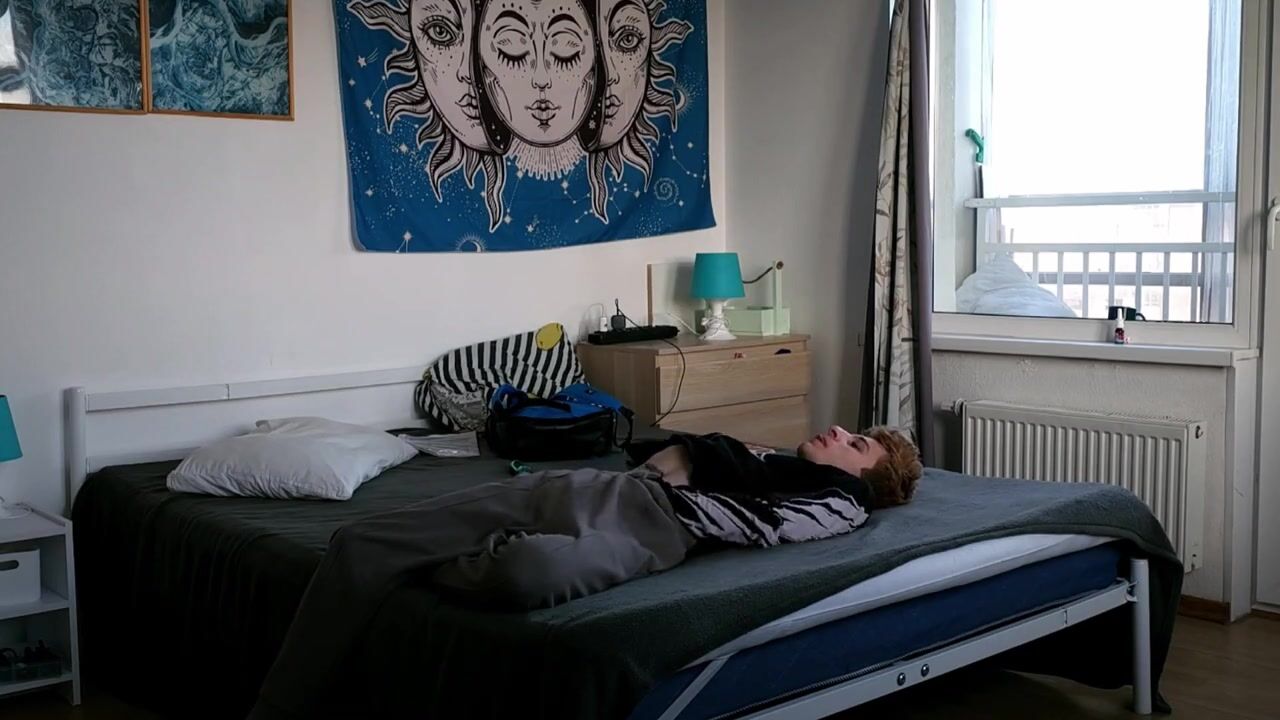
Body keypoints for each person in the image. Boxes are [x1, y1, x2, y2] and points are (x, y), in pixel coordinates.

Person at [415, 425, 923, 609]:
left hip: (655, 528)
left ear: (864, 479)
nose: (837, 430)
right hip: (614, 492)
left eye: (855, 444)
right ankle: (424, 559)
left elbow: (765, 520)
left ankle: (428, 578)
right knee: (408, 532)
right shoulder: (778, 468)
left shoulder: (847, 497)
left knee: (528, 571)